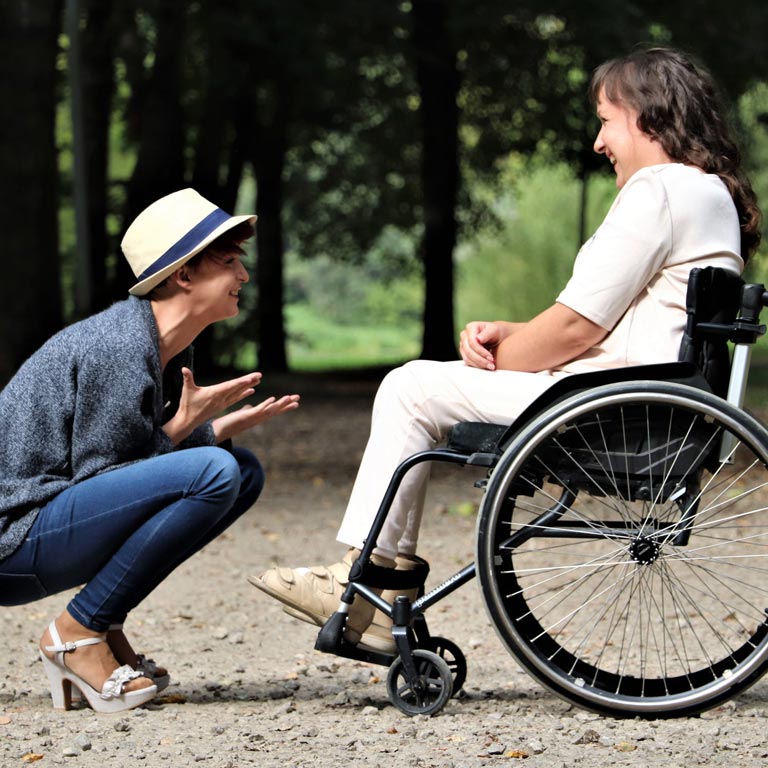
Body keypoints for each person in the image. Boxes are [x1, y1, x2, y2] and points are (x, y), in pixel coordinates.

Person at [249, 47, 761, 653]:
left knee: (411, 387)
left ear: (647, 115)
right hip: (647, 398)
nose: (599, 143)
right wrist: (511, 333)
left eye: (604, 120)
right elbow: (614, 324)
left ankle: (369, 590)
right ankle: (375, 586)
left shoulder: (662, 189)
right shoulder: (707, 194)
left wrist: (499, 356)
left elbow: (575, 331)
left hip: (615, 408)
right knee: (422, 385)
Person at [0, 188, 300, 713]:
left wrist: (211, 427)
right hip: (13, 538)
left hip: (45, 523)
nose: (243, 277)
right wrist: (188, 426)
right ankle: (76, 632)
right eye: (229, 263)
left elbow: (126, 467)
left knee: (240, 470)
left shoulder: (161, 344)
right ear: (183, 275)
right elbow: (102, 478)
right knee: (213, 470)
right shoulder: (118, 347)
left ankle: (103, 623)